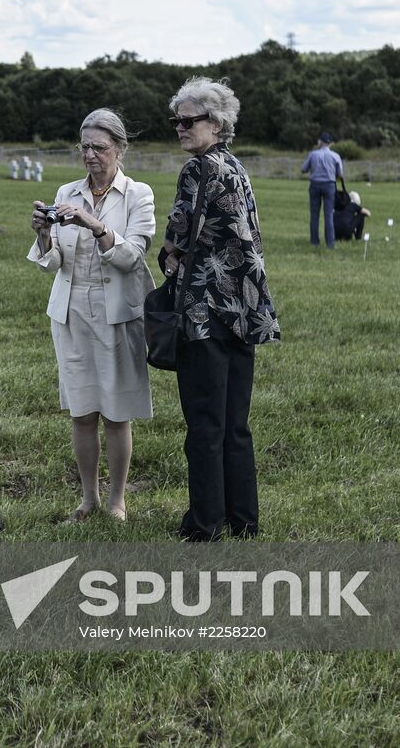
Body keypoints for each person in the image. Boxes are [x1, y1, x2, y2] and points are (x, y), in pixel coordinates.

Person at [159, 78, 280, 541]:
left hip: (205, 314)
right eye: (176, 121)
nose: (180, 128)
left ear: (216, 122)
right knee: (235, 425)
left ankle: (204, 524)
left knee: (205, 427)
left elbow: (176, 240)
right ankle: (244, 521)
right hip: (244, 312)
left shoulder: (197, 171)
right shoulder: (237, 167)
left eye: (188, 121)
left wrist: (170, 257)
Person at [28, 109, 156, 522]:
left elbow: (132, 257)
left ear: (119, 149)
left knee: (116, 414)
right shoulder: (67, 191)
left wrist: (93, 223)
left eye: (99, 148)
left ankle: (117, 500)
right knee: (82, 413)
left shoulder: (139, 195)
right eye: (84, 146)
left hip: (118, 317)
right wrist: (44, 234)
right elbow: (52, 264)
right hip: (71, 315)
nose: (90, 155)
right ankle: (88, 499)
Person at [301, 132, 344, 248]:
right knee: (329, 215)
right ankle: (330, 243)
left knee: (314, 215)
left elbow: (303, 169)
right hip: (329, 186)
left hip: (315, 185)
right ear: (331, 143)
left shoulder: (313, 154)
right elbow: (340, 174)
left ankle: (314, 242)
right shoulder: (335, 156)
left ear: (320, 142)